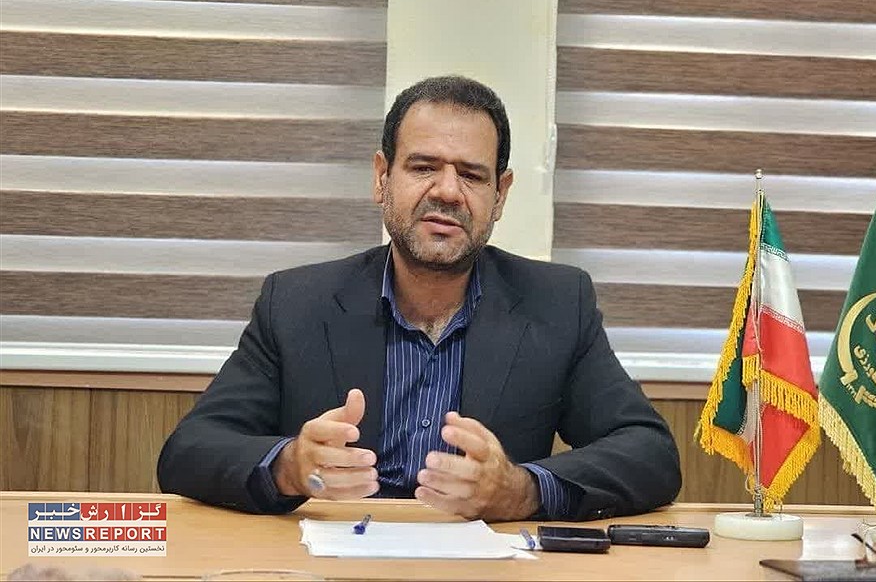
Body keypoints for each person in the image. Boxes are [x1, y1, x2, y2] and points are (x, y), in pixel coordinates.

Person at [157, 75, 681, 521]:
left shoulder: (557, 303)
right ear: (382, 178)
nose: (448, 191)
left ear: (500, 195)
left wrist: (521, 489)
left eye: (471, 175)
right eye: (423, 167)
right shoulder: (296, 303)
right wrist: (289, 465)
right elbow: (190, 450)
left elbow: (649, 454)